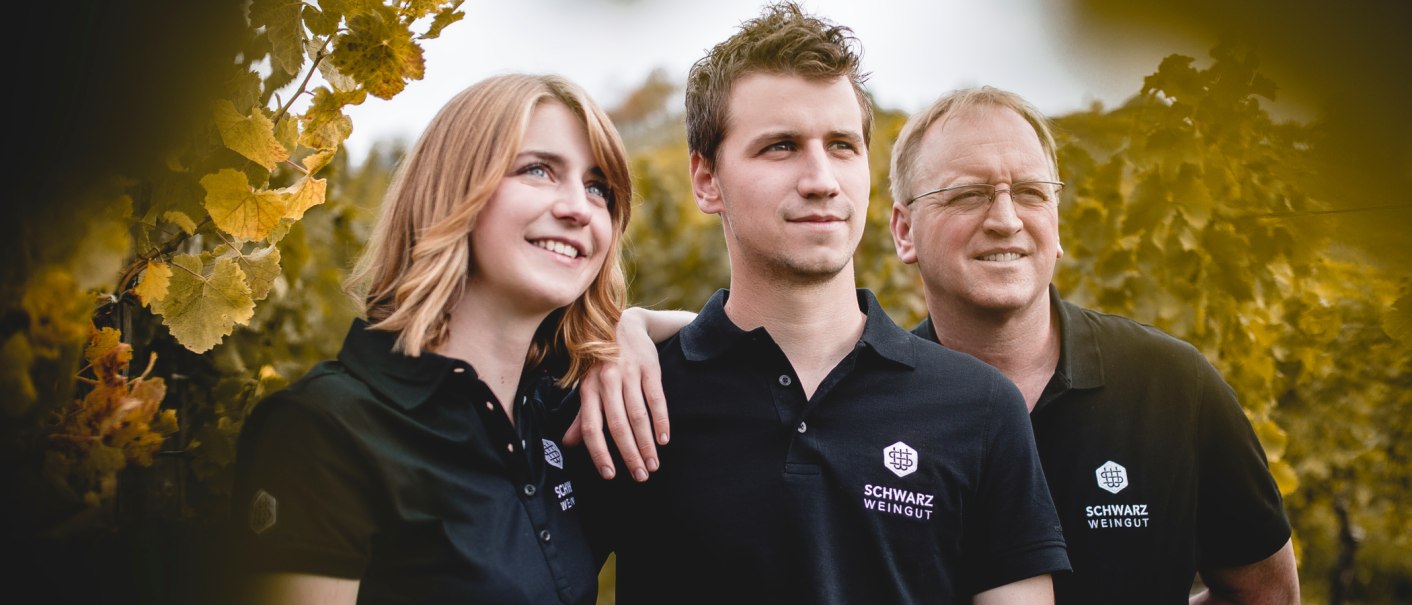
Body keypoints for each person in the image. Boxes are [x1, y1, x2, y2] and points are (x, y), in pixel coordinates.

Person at [568, 4, 1069, 604]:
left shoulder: (981, 408)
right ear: (706, 180)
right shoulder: (635, 396)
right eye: (780, 147)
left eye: (841, 146)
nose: (821, 179)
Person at [229, 73, 633, 605]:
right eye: (538, 169)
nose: (579, 208)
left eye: (598, 187)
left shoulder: (565, 422)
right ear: (454, 189)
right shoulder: (327, 430)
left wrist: (638, 326)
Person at [885, 86, 1300, 603]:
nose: (1006, 219)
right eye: (968, 194)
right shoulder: (876, 406)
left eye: (1032, 192)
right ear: (904, 232)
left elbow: (1266, 594)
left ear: (1056, 225)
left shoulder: (1171, 383)